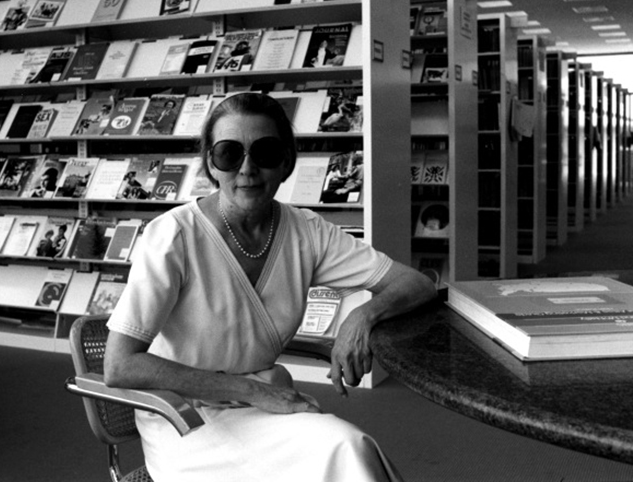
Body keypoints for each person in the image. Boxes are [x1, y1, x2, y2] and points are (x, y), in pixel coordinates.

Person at [104, 92, 436, 482]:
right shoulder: (174, 236)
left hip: (268, 407)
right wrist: (253, 391)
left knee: (349, 447)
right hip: (186, 418)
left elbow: (416, 283)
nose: (247, 169)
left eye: (264, 152)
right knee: (342, 449)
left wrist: (363, 316)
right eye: (229, 153)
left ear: (286, 161)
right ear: (211, 163)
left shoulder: (306, 232)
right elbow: (120, 364)